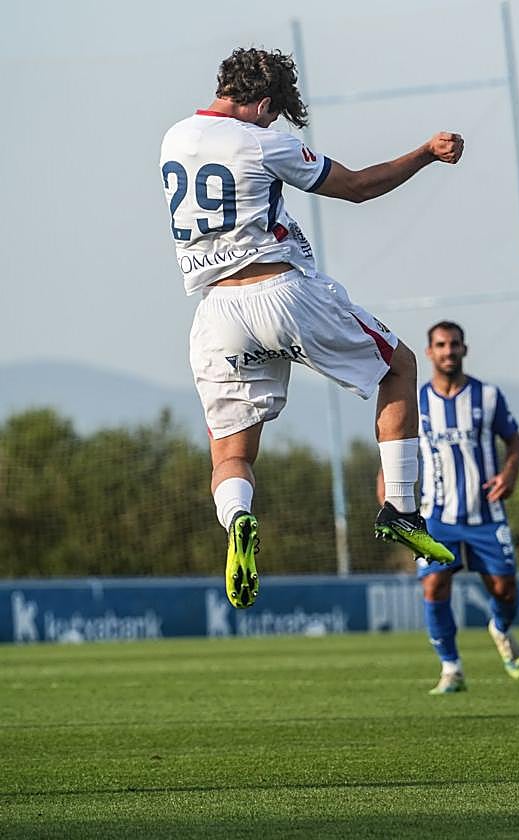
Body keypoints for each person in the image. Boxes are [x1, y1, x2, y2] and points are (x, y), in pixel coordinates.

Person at [159, 47, 458, 609]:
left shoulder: (173, 138)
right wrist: (423, 154)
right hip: (279, 292)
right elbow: (358, 186)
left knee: (232, 456)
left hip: (216, 313)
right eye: (273, 113)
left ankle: (239, 520)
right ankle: (400, 508)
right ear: (264, 103)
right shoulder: (260, 140)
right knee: (399, 367)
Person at [417, 321, 519, 694]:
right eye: (441, 345)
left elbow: (514, 443)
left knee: (505, 590)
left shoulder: (488, 397)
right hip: (436, 515)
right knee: (433, 585)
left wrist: (510, 474)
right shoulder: (416, 402)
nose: (449, 351)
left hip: (486, 513)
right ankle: (451, 668)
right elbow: (392, 454)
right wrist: (391, 501)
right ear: (430, 352)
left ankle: (499, 627)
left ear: (465, 349)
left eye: (455, 345)